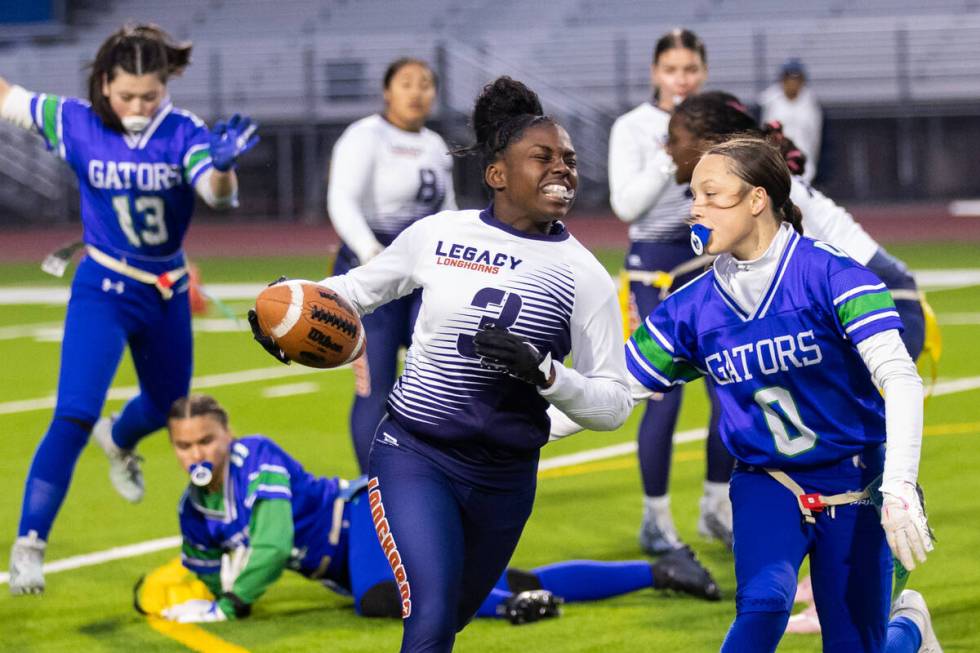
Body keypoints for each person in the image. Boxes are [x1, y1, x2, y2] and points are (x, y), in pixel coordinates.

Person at [252, 76, 633, 652]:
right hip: (415, 452)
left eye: (569, 160)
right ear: (497, 174)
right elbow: (355, 291)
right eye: (543, 157)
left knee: (450, 619)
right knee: (428, 618)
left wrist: (547, 374)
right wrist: (289, 306)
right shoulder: (436, 234)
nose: (563, 169)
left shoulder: (585, 277)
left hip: (506, 476)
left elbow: (614, 405)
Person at [626, 135, 938, 652]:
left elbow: (901, 379)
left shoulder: (831, 274)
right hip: (768, 477)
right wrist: (548, 387)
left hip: (854, 475)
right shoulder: (693, 303)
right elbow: (615, 393)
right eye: (693, 195)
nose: (693, 210)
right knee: (764, 603)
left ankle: (909, 627)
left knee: (857, 643)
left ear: (756, 199)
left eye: (708, 194)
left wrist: (900, 485)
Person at [2, 23, 258, 595]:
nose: (139, 107)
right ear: (103, 84)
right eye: (126, 96)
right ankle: (29, 545)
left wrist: (222, 167)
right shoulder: (72, 120)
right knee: (73, 412)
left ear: (165, 86)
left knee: (171, 408)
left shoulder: (183, 131)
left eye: (150, 94)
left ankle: (118, 440)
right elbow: (7, 97)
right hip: (104, 286)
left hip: (165, 291)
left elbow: (217, 195)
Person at [153, 394, 720, 624]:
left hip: (367, 520)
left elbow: (274, 545)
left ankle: (511, 609)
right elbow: (203, 565)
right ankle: (663, 568)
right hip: (348, 557)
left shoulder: (257, 457)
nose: (197, 453)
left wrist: (230, 604)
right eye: (184, 446)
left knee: (385, 597)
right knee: (511, 575)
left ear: (227, 434)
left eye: (206, 440)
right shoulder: (192, 508)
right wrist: (211, 597)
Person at [666, 91, 925, 362]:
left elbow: (790, 267)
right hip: (849, 304)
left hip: (875, 302)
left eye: (674, 139)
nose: (668, 149)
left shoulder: (758, 189)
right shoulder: (743, 185)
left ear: (707, 143)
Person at [608, 27, 732, 556]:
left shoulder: (720, 120)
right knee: (662, 399)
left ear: (703, 71)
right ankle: (655, 518)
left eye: (690, 70)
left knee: (730, 392)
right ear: (655, 73)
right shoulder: (632, 127)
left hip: (711, 266)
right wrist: (669, 154)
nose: (681, 79)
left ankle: (717, 506)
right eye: (671, 70)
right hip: (654, 276)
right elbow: (626, 208)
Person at [327, 57, 456, 473]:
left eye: (425, 83)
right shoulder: (365, 136)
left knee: (439, 379)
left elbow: (448, 210)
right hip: (375, 280)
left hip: (424, 278)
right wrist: (370, 254)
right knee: (374, 388)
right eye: (406, 83)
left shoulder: (436, 145)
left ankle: (430, 477)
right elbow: (341, 200)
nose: (417, 91)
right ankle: (372, 489)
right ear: (387, 91)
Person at [758, 58, 823, 184]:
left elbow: (816, 137)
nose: (792, 83)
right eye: (789, 78)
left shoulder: (811, 102)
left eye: (797, 79)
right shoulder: (769, 101)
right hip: (777, 162)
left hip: (803, 163)